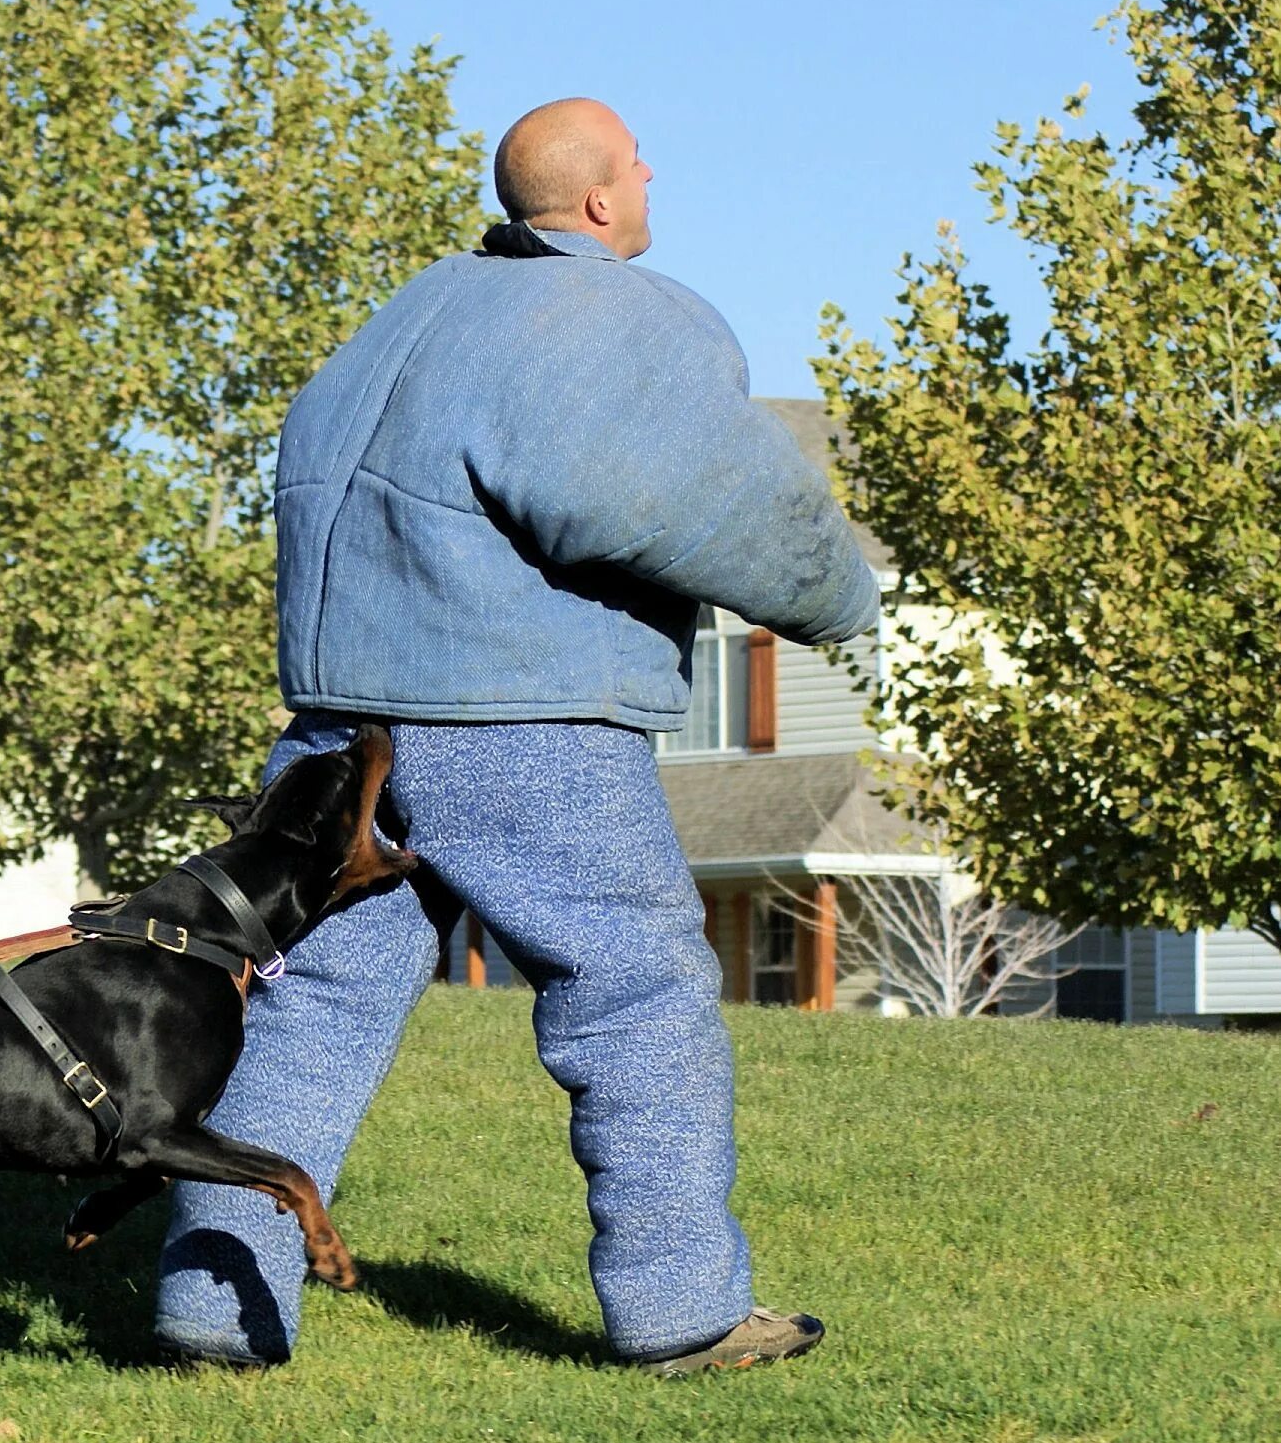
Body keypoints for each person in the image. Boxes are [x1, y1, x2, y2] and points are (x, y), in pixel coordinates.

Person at [154, 97, 879, 1375]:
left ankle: (213, 1310)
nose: (652, 176)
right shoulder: (605, 318)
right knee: (635, 998)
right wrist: (839, 598)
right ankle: (682, 1314)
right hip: (519, 721)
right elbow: (700, 494)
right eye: (640, 162)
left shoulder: (401, 318)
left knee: (300, 1015)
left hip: (335, 730)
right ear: (599, 201)